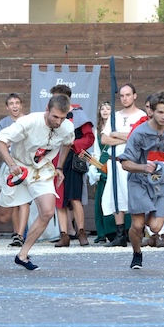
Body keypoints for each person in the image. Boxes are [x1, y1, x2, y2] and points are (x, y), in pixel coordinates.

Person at [0, 94, 75, 270]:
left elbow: (68, 143)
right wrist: (10, 165)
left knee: (47, 212)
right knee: (4, 216)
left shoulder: (67, 126)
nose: (58, 121)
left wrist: (60, 167)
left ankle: (23, 255)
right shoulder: (28, 122)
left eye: (62, 118)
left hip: (41, 170)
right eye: (55, 116)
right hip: (18, 165)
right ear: (47, 109)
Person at [118, 90, 164, 269]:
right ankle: (137, 254)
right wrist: (143, 167)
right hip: (140, 181)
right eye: (160, 112)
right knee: (137, 225)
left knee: (156, 227)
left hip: (163, 183)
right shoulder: (140, 133)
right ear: (151, 111)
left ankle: (150, 227)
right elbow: (125, 163)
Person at [101, 83, 146, 247]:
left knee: (133, 196)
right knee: (116, 195)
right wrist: (126, 137)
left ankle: (136, 233)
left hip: (133, 162)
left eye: (128, 95)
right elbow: (104, 139)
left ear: (134, 95)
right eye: (122, 95)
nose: (125, 98)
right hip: (116, 161)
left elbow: (140, 137)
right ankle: (120, 235)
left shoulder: (141, 115)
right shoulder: (115, 116)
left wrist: (117, 134)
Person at [51, 84, 94, 248]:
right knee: (59, 199)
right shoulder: (51, 116)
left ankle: (81, 232)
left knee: (75, 197)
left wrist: (72, 144)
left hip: (74, 159)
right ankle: (64, 235)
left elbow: (89, 138)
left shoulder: (79, 115)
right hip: (56, 161)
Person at [0, 93, 29, 247]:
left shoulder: (28, 120)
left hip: (26, 164)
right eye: (11, 103)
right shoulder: (3, 123)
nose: (15, 106)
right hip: (10, 164)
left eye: (17, 102)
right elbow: (2, 144)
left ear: (21, 105)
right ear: (7, 107)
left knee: (25, 201)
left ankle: (22, 234)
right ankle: (17, 234)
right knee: (14, 201)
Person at [88, 101, 116, 243]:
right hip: (102, 164)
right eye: (102, 109)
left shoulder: (116, 128)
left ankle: (116, 231)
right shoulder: (97, 130)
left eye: (108, 108)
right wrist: (94, 168)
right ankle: (102, 232)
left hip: (114, 162)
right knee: (101, 198)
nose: (105, 111)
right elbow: (96, 152)